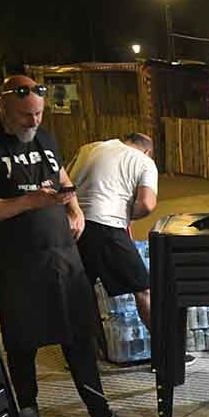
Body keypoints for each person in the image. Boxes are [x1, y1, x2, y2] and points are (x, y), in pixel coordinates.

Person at [0, 75, 149, 417]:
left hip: (63, 255)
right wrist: (30, 202)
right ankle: (28, 415)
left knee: (79, 333)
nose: (34, 122)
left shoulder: (44, 138)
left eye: (39, 114)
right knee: (22, 338)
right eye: (26, 115)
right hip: (16, 262)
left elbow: (59, 173)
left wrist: (74, 208)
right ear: (4, 108)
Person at [68, 133, 158, 330]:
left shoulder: (89, 147)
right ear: (147, 151)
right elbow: (147, 203)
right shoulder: (143, 161)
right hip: (107, 226)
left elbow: (65, 184)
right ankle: (167, 352)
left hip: (72, 226)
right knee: (144, 290)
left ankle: (87, 355)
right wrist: (126, 215)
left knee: (80, 292)